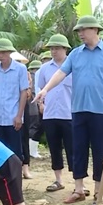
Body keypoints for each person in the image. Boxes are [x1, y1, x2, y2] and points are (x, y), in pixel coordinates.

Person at [34, 16, 103, 204]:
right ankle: (79, 189)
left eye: (83, 30)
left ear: (95, 30)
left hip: (100, 110)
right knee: (78, 148)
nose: (80, 34)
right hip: (78, 109)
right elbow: (60, 73)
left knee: (99, 150)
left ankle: (99, 191)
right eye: (78, 31)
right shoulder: (75, 54)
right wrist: (45, 89)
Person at [0, 38, 29, 174]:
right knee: (0, 151)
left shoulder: (20, 69)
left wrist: (19, 115)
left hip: (13, 116)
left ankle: (16, 182)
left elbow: (23, 92)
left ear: (9, 52)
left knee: (15, 152)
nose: (1, 56)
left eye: (3, 53)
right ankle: (4, 182)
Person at [37, 34, 74, 192]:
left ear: (65, 49)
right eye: (51, 48)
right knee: (54, 147)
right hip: (50, 113)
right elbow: (39, 89)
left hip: (69, 113)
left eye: (57, 48)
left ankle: (79, 182)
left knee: (74, 148)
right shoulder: (44, 69)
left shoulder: (74, 67)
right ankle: (58, 180)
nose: (53, 51)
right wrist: (41, 104)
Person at [26, 60, 43, 159]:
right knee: (34, 127)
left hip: (28, 108)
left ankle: (31, 150)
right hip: (33, 108)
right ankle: (32, 151)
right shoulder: (34, 77)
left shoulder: (28, 76)